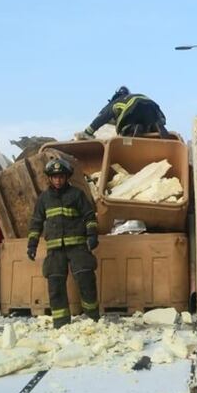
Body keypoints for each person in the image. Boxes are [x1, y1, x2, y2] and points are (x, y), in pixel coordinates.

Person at [27, 157, 100, 327]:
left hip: (78, 247)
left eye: (61, 176)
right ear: (50, 178)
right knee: (55, 286)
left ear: (67, 177)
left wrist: (92, 235)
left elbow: (90, 217)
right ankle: (61, 324)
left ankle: (93, 319)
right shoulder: (44, 199)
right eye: (54, 177)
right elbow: (36, 223)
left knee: (86, 281)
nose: (58, 180)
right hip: (55, 251)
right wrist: (32, 245)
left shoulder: (77, 194)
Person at [76, 86, 169, 139]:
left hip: (132, 110)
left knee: (125, 128)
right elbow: (160, 115)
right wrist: (160, 122)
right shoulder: (135, 96)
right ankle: (154, 126)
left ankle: (133, 128)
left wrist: (88, 132)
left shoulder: (116, 102)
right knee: (149, 124)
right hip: (152, 107)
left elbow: (102, 117)